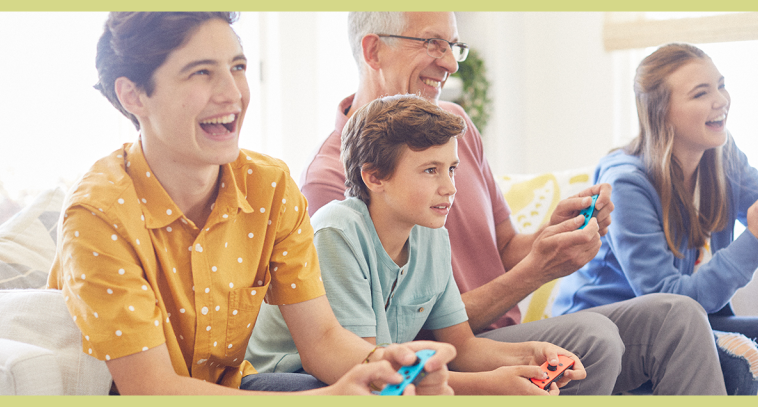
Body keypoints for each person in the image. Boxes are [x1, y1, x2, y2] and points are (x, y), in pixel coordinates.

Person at [300, 11, 726, 395]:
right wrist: (535, 273)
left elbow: (503, 249)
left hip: (482, 340)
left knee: (679, 315)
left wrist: (551, 238)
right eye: (431, 43)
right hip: (427, 352)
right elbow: (394, 334)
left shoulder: (455, 129)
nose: (449, 63)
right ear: (374, 49)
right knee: (596, 336)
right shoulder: (332, 188)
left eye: (453, 45)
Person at [46, 11, 456, 396]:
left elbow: (322, 340)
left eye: (237, 68)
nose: (232, 93)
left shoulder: (269, 187)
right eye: (202, 72)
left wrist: (386, 365)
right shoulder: (98, 213)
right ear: (133, 95)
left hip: (233, 388)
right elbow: (151, 388)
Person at [551, 43, 758, 395]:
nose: (721, 100)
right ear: (662, 113)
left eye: (720, 85)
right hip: (613, 337)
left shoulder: (722, 155)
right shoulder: (627, 183)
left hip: (695, 319)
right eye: (701, 93)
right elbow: (669, 301)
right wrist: (756, 241)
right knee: (738, 357)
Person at [248, 94, 588, 395]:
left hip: (379, 375)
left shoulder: (432, 235)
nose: (450, 187)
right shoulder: (337, 233)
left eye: (452, 169)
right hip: (291, 377)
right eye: (430, 170)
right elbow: (364, 373)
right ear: (374, 177)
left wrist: (532, 355)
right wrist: (489, 385)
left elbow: (463, 347)